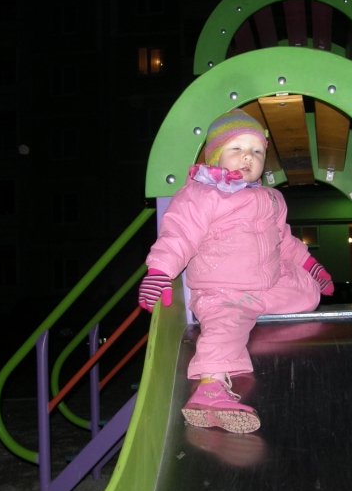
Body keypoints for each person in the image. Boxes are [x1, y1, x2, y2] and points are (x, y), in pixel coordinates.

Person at [138, 108, 334, 434]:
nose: (248, 157)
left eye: (257, 152)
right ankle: (210, 389)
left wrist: (311, 267)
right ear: (216, 154)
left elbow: (284, 241)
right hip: (223, 289)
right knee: (225, 325)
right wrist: (159, 271)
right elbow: (178, 234)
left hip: (267, 285)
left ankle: (259, 307)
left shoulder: (271, 198)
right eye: (237, 148)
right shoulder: (201, 194)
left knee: (307, 295)